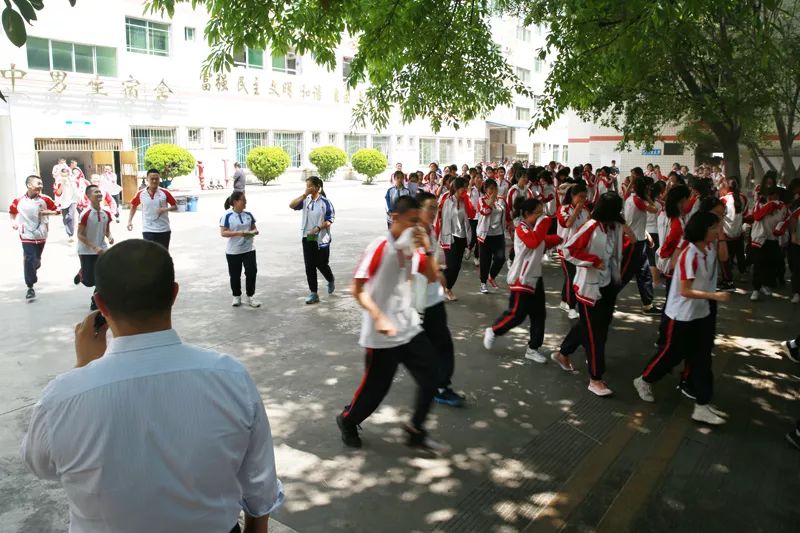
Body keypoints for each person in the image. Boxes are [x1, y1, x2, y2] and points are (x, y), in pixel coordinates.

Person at [21, 240, 284, 532]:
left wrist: (83, 368)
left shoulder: (63, 397)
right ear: (173, 294)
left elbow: (40, 464)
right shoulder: (231, 377)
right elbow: (261, 486)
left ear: (101, 304)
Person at [336, 195, 444, 451]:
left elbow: (431, 276)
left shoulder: (412, 247)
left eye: (419, 221)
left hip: (407, 326)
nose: (417, 226)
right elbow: (357, 288)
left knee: (432, 377)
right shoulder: (380, 246)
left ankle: (415, 430)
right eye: (412, 221)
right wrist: (378, 316)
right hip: (381, 334)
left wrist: (427, 248)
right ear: (395, 219)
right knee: (375, 391)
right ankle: (347, 420)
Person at [633, 212, 731, 425]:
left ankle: (702, 406)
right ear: (702, 230)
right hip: (681, 316)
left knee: (702, 359)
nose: (718, 230)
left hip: (701, 313)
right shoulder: (690, 253)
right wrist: (714, 296)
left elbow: (724, 257)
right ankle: (644, 379)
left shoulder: (710, 248)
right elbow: (685, 290)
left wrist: (721, 236)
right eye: (714, 227)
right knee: (671, 354)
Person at [550, 192, 627, 397]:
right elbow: (569, 250)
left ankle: (563, 353)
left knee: (594, 326)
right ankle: (595, 378)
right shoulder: (592, 226)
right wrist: (593, 260)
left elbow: (622, 248)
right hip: (589, 287)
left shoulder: (615, 226)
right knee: (595, 335)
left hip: (609, 284)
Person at [483, 198, 561, 362]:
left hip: (535, 276)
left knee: (539, 314)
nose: (542, 216)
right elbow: (533, 242)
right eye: (538, 213)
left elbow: (542, 241)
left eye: (542, 212)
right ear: (527, 214)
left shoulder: (535, 228)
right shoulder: (521, 228)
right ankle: (494, 330)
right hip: (522, 278)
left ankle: (533, 348)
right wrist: (546, 221)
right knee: (517, 314)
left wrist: (562, 239)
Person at [417, 191, 466, 407]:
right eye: (429, 208)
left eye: (435, 208)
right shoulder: (415, 235)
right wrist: (435, 273)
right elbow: (416, 266)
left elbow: (430, 261)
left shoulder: (429, 232)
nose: (434, 212)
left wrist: (437, 273)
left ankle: (440, 386)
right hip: (419, 303)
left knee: (442, 344)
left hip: (432, 299)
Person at [9, 175, 59, 301]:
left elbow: (57, 211)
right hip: (26, 235)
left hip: (41, 234)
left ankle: (36, 264)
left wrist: (45, 212)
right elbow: (12, 212)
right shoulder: (19, 200)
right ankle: (30, 286)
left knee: (35, 260)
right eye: (38, 183)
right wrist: (14, 222)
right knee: (29, 258)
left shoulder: (45, 199)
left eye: (41, 184)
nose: (41, 186)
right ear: (29, 185)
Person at [289, 176, 335, 304]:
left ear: (317, 187)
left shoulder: (325, 202)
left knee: (321, 263)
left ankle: (330, 279)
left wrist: (318, 228)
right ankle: (313, 293)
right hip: (307, 236)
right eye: (306, 186)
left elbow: (330, 220)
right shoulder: (306, 200)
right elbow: (291, 205)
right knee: (309, 266)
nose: (307, 188)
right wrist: (304, 195)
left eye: (309, 186)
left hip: (321, 238)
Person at [622, 170, 660, 315]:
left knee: (644, 274)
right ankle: (605, 298)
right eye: (648, 188)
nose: (651, 190)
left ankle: (648, 304)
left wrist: (646, 234)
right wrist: (648, 198)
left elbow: (635, 222)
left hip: (639, 241)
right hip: (635, 244)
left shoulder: (630, 198)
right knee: (625, 274)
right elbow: (655, 209)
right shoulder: (637, 200)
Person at [435, 176, 475, 301]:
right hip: (449, 236)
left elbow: (472, 214)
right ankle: (440, 285)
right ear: (458, 188)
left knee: (457, 267)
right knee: (451, 266)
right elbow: (439, 216)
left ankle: (448, 288)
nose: (466, 189)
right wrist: (437, 235)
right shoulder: (447, 199)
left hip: (461, 237)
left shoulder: (465, 201)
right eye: (464, 187)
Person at [75, 185, 114, 310]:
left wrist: (110, 236)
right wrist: (94, 247)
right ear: (89, 196)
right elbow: (79, 235)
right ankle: (82, 273)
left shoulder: (106, 213)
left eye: (99, 191)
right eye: (95, 192)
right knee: (89, 281)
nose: (99, 194)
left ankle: (95, 300)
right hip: (86, 250)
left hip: (102, 249)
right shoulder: (85, 214)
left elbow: (106, 230)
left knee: (103, 276)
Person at [220, 191, 261, 308]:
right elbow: (223, 233)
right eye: (243, 199)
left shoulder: (248, 215)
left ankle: (250, 296)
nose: (245, 202)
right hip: (233, 251)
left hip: (249, 249)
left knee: (252, 272)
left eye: (245, 199)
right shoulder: (227, 215)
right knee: (235, 274)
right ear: (235, 202)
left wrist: (252, 233)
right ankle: (236, 296)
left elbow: (255, 229)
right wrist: (240, 233)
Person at [557, 182, 590, 320]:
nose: (582, 200)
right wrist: (577, 209)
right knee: (572, 277)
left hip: (579, 250)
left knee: (571, 277)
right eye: (580, 197)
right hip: (566, 250)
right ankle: (571, 307)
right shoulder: (563, 209)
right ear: (572, 195)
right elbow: (568, 223)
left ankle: (564, 300)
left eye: (585, 197)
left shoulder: (586, 211)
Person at [749, 186, 787, 301]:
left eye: (773, 195)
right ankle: (756, 289)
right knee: (758, 264)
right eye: (768, 195)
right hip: (759, 239)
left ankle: (765, 285)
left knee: (770, 264)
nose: (770, 197)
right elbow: (757, 216)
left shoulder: (782, 207)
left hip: (773, 239)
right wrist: (769, 206)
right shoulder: (759, 205)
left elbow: (784, 220)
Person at [127, 169, 177, 249]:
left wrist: (165, 209)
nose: (154, 181)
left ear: (159, 179)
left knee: (163, 255)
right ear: (147, 179)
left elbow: (175, 206)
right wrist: (129, 221)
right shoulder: (141, 193)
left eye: (156, 179)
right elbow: (133, 206)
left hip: (163, 230)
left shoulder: (165, 192)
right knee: (149, 255)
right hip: (148, 230)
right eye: (152, 178)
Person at [476, 179, 507, 294]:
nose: (493, 190)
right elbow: (485, 211)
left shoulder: (501, 200)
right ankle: (483, 283)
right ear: (485, 189)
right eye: (490, 188)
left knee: (501, 258)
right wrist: (492, 198)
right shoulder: (481, 200)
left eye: (495, 188)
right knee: (485, 260)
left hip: (499, 233)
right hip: (485, 235)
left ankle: (492, 276)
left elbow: (506, 213)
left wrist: (509, 225)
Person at [55, 166, 80, 242]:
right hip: (63, 202)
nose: (64, 176)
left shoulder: (73, 180)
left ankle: (71, 235)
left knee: (71, 216)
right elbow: (58, 193)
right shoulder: (58, 181)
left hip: (72, 200)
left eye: (66, 174)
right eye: (63, 175)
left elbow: (77, 189)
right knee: (65, 219)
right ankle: (69, 234)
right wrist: (62, 184)